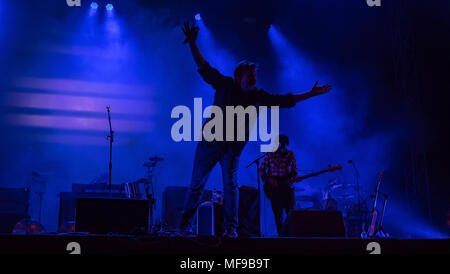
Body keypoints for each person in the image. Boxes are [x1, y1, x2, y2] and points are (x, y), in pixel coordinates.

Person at [179, 21, 332, 237]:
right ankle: (184, 228)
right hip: (210, 143)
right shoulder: (225, 84)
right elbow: (203, 66)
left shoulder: (258, 96)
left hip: (232, 149)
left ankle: (230, 232)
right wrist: (192, 44)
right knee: (196, 184)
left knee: (231, 188)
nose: (253, 78)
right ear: (239, 76)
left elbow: (285, 100)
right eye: (249, 75)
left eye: (255, 75)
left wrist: (310, 93)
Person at [258, 134, 298, 236]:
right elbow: (261, 170)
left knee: (291, 212)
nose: (279, 145)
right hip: (274, 187)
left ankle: (291, 235)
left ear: (285, 144)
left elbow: (294, 170)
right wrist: (269, 180)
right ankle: (281, 235)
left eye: (281, 143)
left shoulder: (290, 154)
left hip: (287, 186)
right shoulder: (270, 154)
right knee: (277, 213)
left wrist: (294, 177)